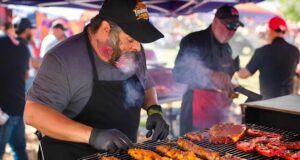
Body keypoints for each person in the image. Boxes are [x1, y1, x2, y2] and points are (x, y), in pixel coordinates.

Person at [24, 0, 169, 159]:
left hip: (122, 155)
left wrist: (153, 108)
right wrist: (93, 136)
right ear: (106, 29)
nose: (137, 47)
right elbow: (33, 113)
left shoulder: (133, 52)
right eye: (130, 39)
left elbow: (144, 81)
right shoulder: (63, 59)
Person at [173, 5, 242, 135]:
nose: (231, 31)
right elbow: (178, 73)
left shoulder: (227, 48)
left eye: (235, 27)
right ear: (215, 21)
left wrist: (228, 85)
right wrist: (210, 74)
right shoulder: (193, 40)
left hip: (218, 110)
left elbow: (224, 77)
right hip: (196, 109)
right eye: (229, 26)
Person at [238, 16, 299, 99]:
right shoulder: (294, 51)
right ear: (284, 31)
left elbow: (244, 74)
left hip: (268, 103)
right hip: (287, 103)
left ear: (270, 30)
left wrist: (235, 67)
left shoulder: (262, 51)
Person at [0, 18, 33, 160]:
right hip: (17, 106)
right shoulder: (23, 48)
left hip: (5, 110)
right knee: (19, 148)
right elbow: (26, 75)